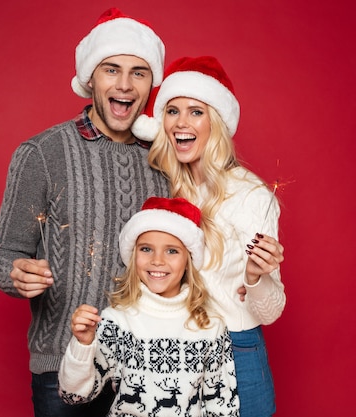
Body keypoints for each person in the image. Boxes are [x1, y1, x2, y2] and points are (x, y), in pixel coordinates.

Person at [0, 7, 168, 417]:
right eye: (111, 70)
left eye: (138, 72)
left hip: (145, 365)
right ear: (90, 79)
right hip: (62, 365)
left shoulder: (166, 160)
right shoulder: (43, 154)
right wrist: (15, 273)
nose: (124, 84)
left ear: (151, 83)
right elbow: (2, 254)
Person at [131, 56, 286, 416]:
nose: (181, 123)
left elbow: (271, 310)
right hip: (174, 353)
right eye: (172, 111)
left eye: (196, 112)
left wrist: (256, 277)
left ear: (216, 122)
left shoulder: (252, 196)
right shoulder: (164, 188)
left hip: (236, 353)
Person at [58, 197, 240, 416]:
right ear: (133, 256)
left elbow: (222, 406)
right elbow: (74, 395)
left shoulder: (210, 326)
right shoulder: (116, 320)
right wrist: (83, 344)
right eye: (146, 249)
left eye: (172, 251)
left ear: (188, 261)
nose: (157, 260)